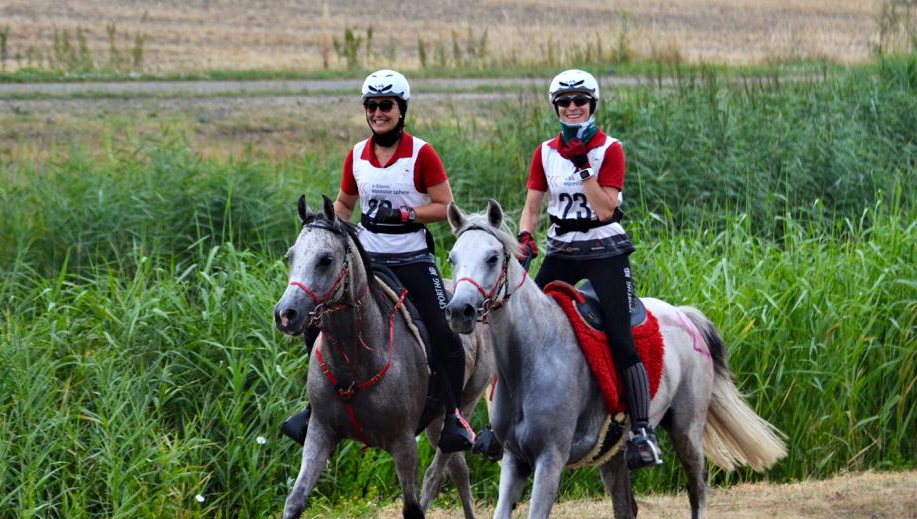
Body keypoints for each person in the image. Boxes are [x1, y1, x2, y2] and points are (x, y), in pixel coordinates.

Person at [279, 69, 476, 453]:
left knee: (443, 329)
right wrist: (323, 231)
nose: (378, 113)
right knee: (316, 321)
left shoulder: (421, 153)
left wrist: (407, 215)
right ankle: (314, 409)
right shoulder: (357, 155)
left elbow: (445, 206)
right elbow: (344, 205)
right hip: (368, 259)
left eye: (386, 106)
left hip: (412, 258)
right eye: (371, 106)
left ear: (401, 110)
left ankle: (453, 416)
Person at [514, 68, 663, 470]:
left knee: (621, 335)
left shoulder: (610, 149)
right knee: (523, 324)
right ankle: (507, 422)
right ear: (556, 107)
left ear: (592, 104)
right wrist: (525, 238)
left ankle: (642, 431)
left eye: (580, 100)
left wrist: (582, 166)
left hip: (605, 250)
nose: (572, 107)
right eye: (564, 102)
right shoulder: (545, 152)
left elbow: (604, 208)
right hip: (562, 249)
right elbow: (531, 207)